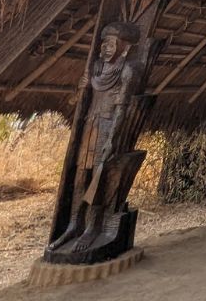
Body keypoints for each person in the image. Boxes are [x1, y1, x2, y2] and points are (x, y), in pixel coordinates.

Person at [49, 20, 142, 253]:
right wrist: (83, 89)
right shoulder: (97, 70)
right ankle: (74, 224)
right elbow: (74, 102)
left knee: (99, 180)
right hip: (90, 124)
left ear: (125, 47)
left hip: (106, 126)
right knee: (81, 176)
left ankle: (92, 226)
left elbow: (121, 107)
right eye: (104, 43)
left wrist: (113, 137)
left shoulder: (127, 71)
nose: (106, 47)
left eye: (113, 43)